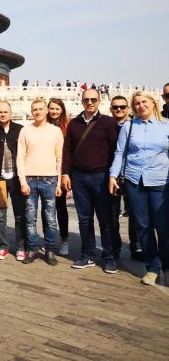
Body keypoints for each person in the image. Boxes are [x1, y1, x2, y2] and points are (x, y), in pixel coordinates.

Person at [109, 91, 169, 286]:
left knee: (164, 227)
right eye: (137, 103)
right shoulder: (129, 126)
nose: (141, 105)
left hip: (161, 181)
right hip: (135, 181)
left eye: (144, 101)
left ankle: (167, 266)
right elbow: (120, 152)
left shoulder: (166, 125)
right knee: (143, 226)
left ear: (153, 102)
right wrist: (113, 175)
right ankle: (152, 268)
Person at [62, 88, 118, 274]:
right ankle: (87, 254)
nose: (90, 103)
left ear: (99, 101)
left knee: (105, 218)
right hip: (79, 177)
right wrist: (65, 173)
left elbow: (115, 151)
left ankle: (109, 256)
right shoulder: (74, 123)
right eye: (86, 100)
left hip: (101, 176)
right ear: (82, 101)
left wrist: (112, 175)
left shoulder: (108, 122)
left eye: (93, 99)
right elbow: (67, 150)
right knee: (84, 219)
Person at [17, 98, 63, 266]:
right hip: (30, 179)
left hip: (50, 180)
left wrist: (59, 183)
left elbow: (60, 158)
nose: (38, 112)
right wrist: (22, 181)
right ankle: (32, 249)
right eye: (35, 109)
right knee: (30, 218)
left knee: (50, 217)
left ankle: (49, 249)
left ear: (46, 110)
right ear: (31, 111)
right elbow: (20, 157)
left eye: (40, 109)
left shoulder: (56, 131)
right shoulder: (25, 131)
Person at [0, 101, 26, 261]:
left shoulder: (20, 130)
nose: (3, 114)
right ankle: (3, 246)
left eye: (5, 112)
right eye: (0, 112)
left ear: (11, 113)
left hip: (16, 178)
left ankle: (21, 247)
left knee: (20, 215)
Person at [109, 95, 142, 260]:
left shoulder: (136, 125)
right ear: (111, 109)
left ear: (128, 108)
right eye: (115, 107)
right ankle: (115, 246)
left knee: (135, 213)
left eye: (122, 107)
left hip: (130, 174)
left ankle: (136, 247)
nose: (119, 110)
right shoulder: (106, 126)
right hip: (111, 175)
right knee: (112, 214)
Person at [47, 98, 70, 256]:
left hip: (61, 171)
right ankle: (49, 240)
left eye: (57, 109)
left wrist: (66, 174)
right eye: (52, 108)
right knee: (47, 208)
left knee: (60, 207)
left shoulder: (67, 126)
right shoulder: (43, 125)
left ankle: (64, 239)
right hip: (46, 171)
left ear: (62, 110)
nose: (54, 111)